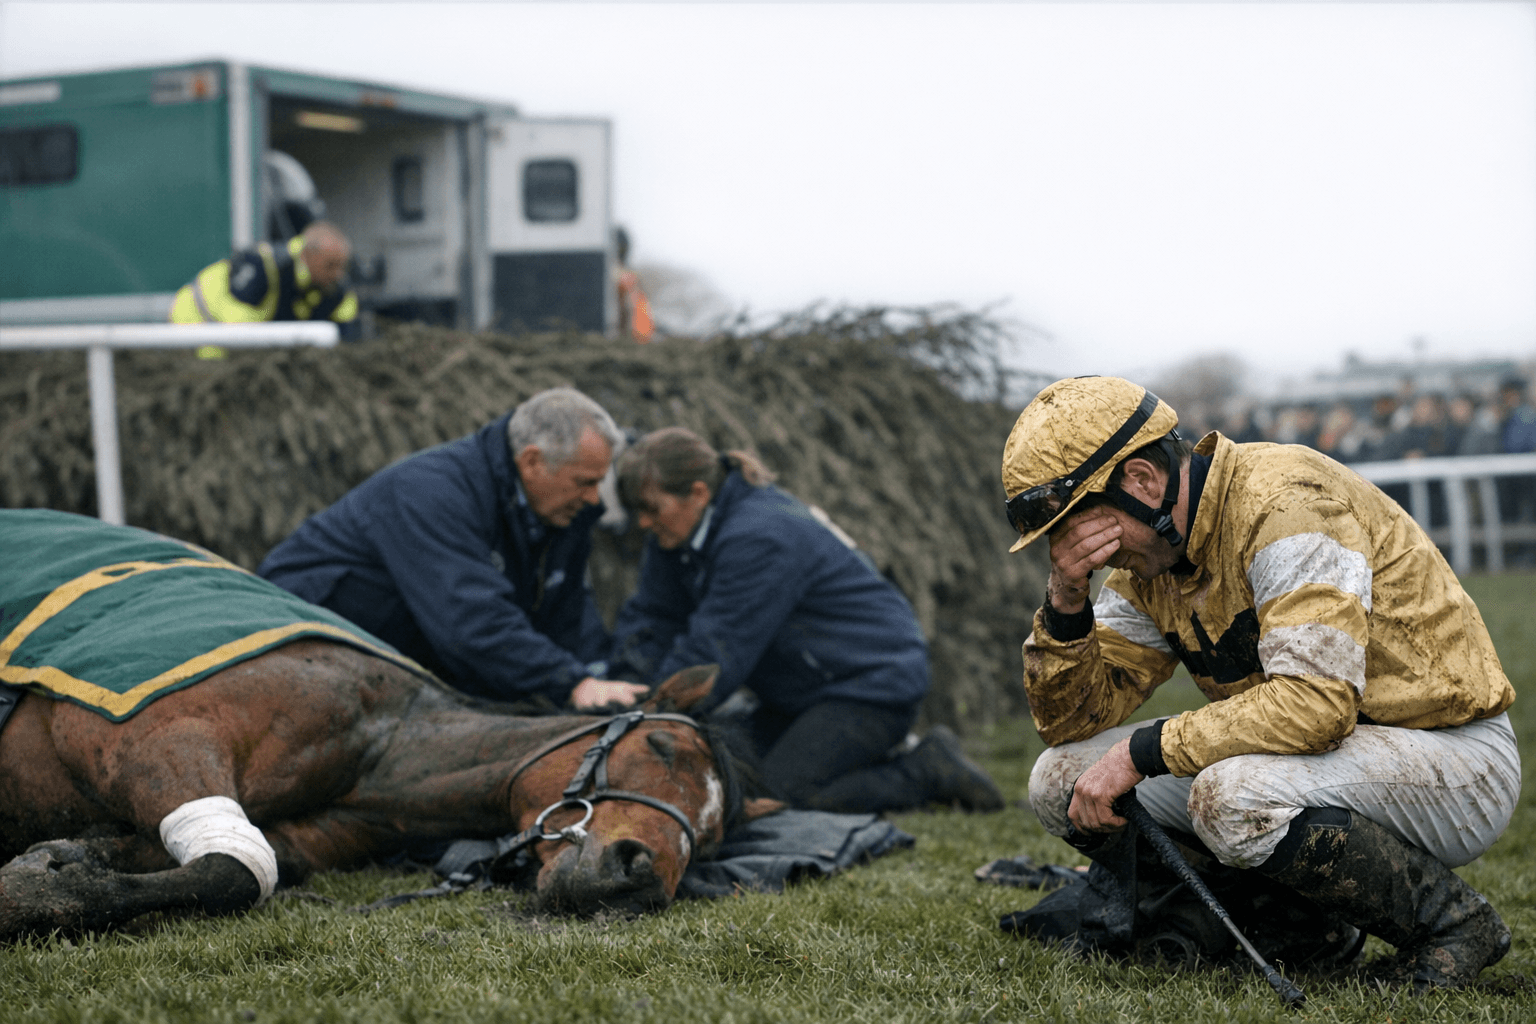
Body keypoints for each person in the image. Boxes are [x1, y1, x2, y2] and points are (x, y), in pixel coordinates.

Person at [1003, 376, 1518, 989]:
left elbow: (1315, 706)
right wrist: (1065, 597)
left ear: (1142, 481)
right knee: (1059, 779)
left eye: (1081, 526)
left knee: (1231, 794)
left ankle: (1453, 926)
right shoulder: (1150, 558)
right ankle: (1296, 923)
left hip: (1455, 757)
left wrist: (1144, 751)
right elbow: (1069, 723)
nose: (1084, 552)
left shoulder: (1285, 500)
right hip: (1322, 759)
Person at [609, 426, 1003, 813]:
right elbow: (651, 616)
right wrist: (620, 690)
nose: (642, 522)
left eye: (651, 508)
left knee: (779, 799)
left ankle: (925, 770)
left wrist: (643, 717)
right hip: (803, 689)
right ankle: (854, 758)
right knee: (726, 770)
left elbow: (714, 655)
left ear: (698, 493)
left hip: (872, 684)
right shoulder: (677, 535)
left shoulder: (760, 537)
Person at [259, 388, 648, 712]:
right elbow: (471, 621)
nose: (594, 497)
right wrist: (572, 684)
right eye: (584, 481)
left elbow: (567, 618)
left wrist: (604, 681)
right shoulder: (431, 493)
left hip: (404, 671)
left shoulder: (564, 510)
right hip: (298, 663)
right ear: (531, 462)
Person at [170, 220, 360, 344]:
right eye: (330, 265)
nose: (338, 275)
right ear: (307, 255)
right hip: (194, 324)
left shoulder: (339, 292)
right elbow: (238, 337)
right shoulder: (263, 269)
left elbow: (346, 343)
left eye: (342, 266)